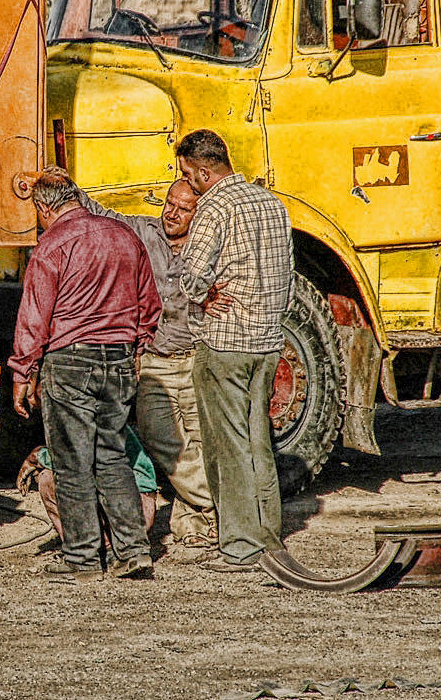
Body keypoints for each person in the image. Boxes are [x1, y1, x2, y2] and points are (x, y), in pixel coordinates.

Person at [9, 168, 160, 583]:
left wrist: (23, 372)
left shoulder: (51, 244)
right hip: (119, 361)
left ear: (44, 207)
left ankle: (82, 558)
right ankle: (132, 551)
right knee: (111, 455)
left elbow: (34, 317)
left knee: (73, 463)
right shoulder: (124, 236)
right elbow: (150, 303)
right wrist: (137, 346)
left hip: (70, 361)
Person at [77, 178, 219, 561]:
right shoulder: (145, 232)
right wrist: (71, 188)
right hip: (155, 361)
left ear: (199, 213)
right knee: (167, 446)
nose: (172, 213)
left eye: (182, 208)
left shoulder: (210, 243)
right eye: (169, 204)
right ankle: (224, 503)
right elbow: (103, 216)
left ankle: (196, 530)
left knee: (202, 444)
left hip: (196, 357)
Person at [175, 129, 294, 573]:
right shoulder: (272, 203)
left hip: (225, 342)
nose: (186, 181)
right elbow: (288, 273)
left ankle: (239, 546)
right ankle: (268, 537)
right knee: (259, 443)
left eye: (188, 174)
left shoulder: (215, 206)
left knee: (228, 447)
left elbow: (190, 274)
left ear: (205, 171)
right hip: (266, 341)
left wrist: (203, 295)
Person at [15, 428, 158, 542]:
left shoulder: (87, 414)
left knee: (48, 478)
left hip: (134, 512)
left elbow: (76, 462)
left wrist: (36, 457)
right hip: (135, 508)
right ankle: (97, 545)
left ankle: (86, 548)